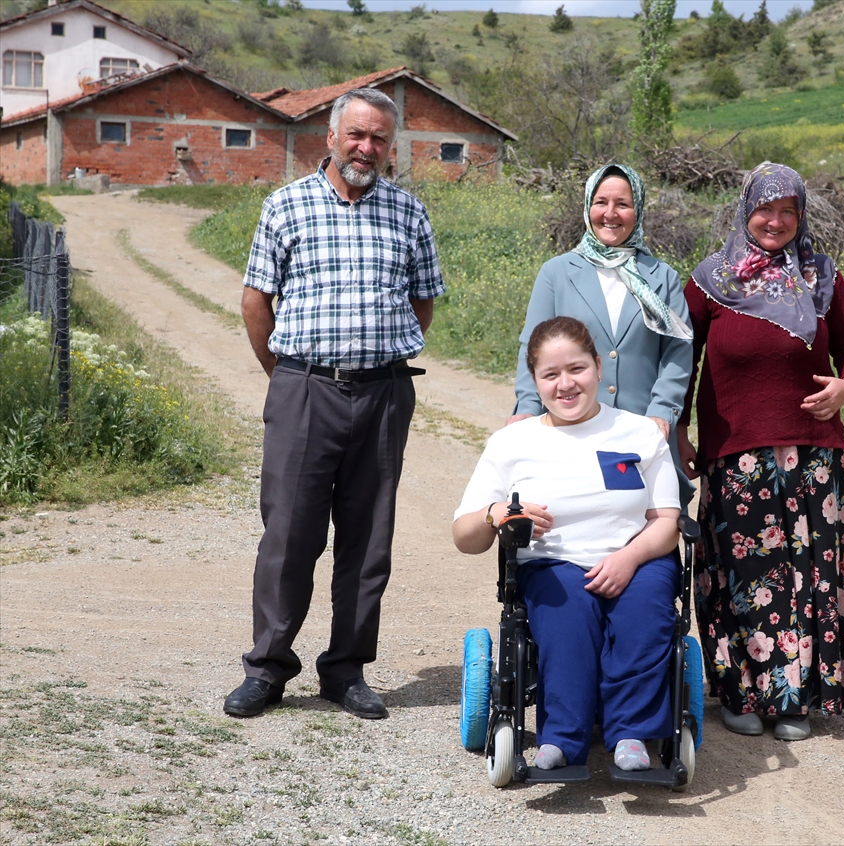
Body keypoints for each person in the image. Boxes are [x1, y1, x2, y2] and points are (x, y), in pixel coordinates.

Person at [223, 88, 446, 720]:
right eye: (356, 135)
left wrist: (381, 353)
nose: (366, 148)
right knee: (289, 534)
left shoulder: (408, 212)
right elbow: (254, 300)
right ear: (330, 136)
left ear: (390, 146)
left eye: (378, 138)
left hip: (383, 392)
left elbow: (423, 302)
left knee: (368, 540)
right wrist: (288, 375)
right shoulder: (285, 206)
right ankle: (267, 668)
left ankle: (345, 670)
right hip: (303, 388)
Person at [678, 162, 844, 741]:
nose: (777, 221)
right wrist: (678, 431)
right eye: (767, 209)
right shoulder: (711, 280)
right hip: (735, 454)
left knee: (806, 573)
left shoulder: (822, 277)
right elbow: (679, 364)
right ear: (746, 211)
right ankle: (741, 693)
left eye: (789, 210)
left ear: (801, 216)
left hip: (812, 454)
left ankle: (795, 700)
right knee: (745, 573)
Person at [454, 317, 681, 772]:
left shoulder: (639, 433)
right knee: (568, 613)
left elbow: (667, 522)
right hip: (553, 562)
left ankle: (631, 733)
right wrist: (498, 513)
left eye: (576, 369)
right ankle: (563, 737)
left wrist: (629, 557)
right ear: (534, 381)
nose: (566, 385)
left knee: (644, 609)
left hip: (638, 556)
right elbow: (464, 535)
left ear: (598, 366)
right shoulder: (512, 442)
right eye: (550, 375)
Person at [509, 164, 694, 503]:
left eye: (622, 204)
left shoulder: (661, 277)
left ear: (637, 210)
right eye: (601, 202)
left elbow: (677, 352)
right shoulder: (557, 272)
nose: (610, 214)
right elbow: (531, 348)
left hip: (643, 429)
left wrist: (662, 411)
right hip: (572, 424)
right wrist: (527, 406)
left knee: (650, 528)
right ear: (587, 207)